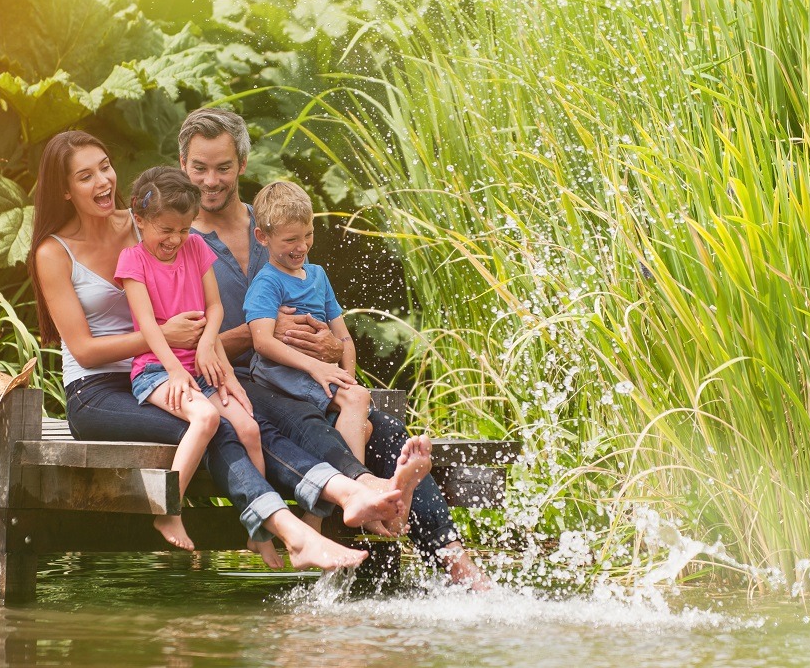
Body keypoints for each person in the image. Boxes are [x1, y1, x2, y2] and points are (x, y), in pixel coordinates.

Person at [27, 130, 407, 571]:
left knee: (247, 421)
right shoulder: (53, 253)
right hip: (98, 392)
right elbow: (86, 350)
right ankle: (291, 531)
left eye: (106, 166)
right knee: (217, 428)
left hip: (174, 370)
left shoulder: (145, 222)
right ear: (64, 189)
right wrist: (167, 337)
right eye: (85, 175)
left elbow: (195, 282)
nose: (103, 181)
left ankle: (339, 497)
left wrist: (210, 338)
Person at [178, 107, 491, 588]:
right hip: (233, 383)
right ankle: (360, 503)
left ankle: (459, 567)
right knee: (304, 423)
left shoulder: (276, 223)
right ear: (183, 165)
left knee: (382, 429)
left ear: (242, 163)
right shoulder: (176, 243)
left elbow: (318, 313)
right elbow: (181, 343)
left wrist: (328, 343)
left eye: (222, 166)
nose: (211, 180)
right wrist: (262, 333)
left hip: (298, 374)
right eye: (199, 167)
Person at [116, 166, 265, 550]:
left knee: (248, 429)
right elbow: (148, 327)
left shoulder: (196, 247)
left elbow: (214, 309)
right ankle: (167, 510)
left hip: (198, 365)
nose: (176, 239)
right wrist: (173, 370)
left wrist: (204, 345)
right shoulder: (133, 262)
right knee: (207, 416)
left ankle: (258, 523)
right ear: (140, 220)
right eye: (166, 230)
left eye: (183, 229)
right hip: (155, 370)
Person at [245, 180, 372, 465]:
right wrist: (318, 368)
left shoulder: (318, 276)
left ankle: (321, 509)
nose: (302, 246)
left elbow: (344, 339)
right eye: (290, 239)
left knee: (364, 423)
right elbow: (262, 341)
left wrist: (347, 377)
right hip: (282, 375)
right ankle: (358, 488)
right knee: (357, 400)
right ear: (262, 237)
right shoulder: (267, 282)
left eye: (308, 234)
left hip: (317, 373)